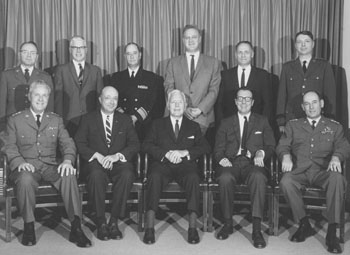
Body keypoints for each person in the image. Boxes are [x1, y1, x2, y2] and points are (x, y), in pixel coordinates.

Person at [1, 80, 91, 247]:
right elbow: (9, 145)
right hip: (26, 166)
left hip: (50, 166)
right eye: (37, 95)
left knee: (69, 174)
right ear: (29, 96)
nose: (41, 99)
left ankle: (76, 227)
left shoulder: (55, 120)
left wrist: (67, 160)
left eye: (45, 95)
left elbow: (68, 143)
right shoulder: (16, 120)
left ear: (49, 98)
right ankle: (29, 226)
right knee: (26, 179)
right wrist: (18, 161)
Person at [277, 90, 350, 254]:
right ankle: (304, 223)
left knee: (337, 179)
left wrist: (337, 157)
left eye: (315, 102)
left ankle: (332, 230)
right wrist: (286, 156)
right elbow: (282, 145)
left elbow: (344, 146)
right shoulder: (293, 125)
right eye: (307, 104)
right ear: (303, 107)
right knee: (286, 182)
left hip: (323, 171)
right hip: (300, 170)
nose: (311, 107)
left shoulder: (334, 126)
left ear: (321, 104)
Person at [142, 89, 210, 245]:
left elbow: (205, 147)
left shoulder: (193, 126)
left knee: (194, 177)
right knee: (154, 177)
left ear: (185, 104)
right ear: (168, 104)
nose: (177, 105)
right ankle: (150, 228)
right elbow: (146, 145)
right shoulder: (157, 124)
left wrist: (186, 152)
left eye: (180, 102)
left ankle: (192, 228)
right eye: (173, 102)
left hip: (185, 166)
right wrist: (165, 153)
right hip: (162, 165)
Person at [74, 86, 140, 241]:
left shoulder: (125, 120)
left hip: (118, 162)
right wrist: (96, 155)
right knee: (96, 175)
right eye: (107, 98)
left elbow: (135, 144)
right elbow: (79, 142)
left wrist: (117, 156)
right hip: (96, 163)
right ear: (100, 100)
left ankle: (114, 220)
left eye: (115, 98)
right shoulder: (88, 119)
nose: (111, 102)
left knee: (127, 173)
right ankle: (101, 221)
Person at [214, 88, 275, 249]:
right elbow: (218, 150)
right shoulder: (226, 122)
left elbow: (270, 146)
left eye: (247, 99)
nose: (243, 102)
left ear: (253, 102)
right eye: (240, 99)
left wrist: (261, 153)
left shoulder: (262, 121)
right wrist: (222, 159)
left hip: (253, 164)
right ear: (235, 102)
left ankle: (256, 229)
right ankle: (227, 223)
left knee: (259, 177)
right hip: (231, 164)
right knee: (225, 178)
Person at [164, 24, 221, 135]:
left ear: (199, 39)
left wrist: (200, 109)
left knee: (199, 151)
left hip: (203, 119)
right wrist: (183, 108)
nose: (191, 40)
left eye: (194, 37)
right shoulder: (173, 63)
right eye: (187, 38)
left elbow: (214, 90)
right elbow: (168, 87)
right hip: (178, 116)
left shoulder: (213, 62)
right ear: (183, 40)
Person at [276, 31, 336, 133]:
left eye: (307, 41)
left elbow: (330, 95)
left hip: (317, 118)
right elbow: (282, 96)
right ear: (295, 45)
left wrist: (330, 118)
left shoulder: (323, 66)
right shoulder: (287, 67)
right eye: (299, 42)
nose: (303, 45)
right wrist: (281, 122)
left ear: (313, 44)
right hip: (293, 118)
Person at [109, 42, 165, 141]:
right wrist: (126, 119)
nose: (131, 56)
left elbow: (153, 103)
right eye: (128, 54)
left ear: (140, 55)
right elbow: (113, 101)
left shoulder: (152, 78)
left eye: (134, 53)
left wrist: (136, 117)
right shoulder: (116, 78)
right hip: (122, 125)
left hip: (145, 126)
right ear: (125, 56)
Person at [54, 35, 103, 137]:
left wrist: (98, 122)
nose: (78, 51)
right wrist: (59, 123)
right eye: (75, 48)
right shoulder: (61, 70)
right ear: (70, 50)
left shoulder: (96, 71)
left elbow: (99, 100)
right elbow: (58, 100)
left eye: (81, 48)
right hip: (68, 122)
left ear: (86, 50)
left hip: (90, 123)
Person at [0, 41, 54, 132]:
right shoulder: (7, 75)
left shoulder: (46, 77)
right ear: (19, 54)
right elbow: (1, 105)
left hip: (37, 128)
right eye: (25, 52)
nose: (29, 56)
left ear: (37, 57)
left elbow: (50, 107)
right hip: (12, 127)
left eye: (32, 53)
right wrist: (2, 128)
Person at [216, 41, 272, 124]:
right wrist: (221, 125)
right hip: (230, 125)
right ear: (235, 55)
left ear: (252, 54)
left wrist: (263, 125)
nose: (243, 55)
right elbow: (219, 104)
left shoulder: (263, 75)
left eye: (246, 52)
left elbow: (267, 104)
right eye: (240, 52)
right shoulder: (225, 75)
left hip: (255, 124)